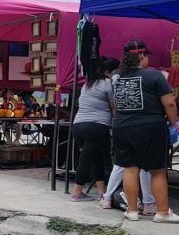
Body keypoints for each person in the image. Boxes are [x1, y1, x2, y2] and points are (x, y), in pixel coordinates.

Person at [112, 39, 179, 223]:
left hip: (121, 126)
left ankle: (132, 211)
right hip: (149, 127)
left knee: (130, 169)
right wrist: (174, 122)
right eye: (146, 55)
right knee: (157, 171)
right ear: (141, 55)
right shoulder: (154, 76)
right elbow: (170, 102)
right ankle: (163, 212)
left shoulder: (116, 76)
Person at [70, 57, 119, 202]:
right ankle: (76, 193)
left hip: (78, 126)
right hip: (96, 126)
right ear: (107, 72)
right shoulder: (108, 84)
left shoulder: (88, 84)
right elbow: (113, 107)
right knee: (86, 160)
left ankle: (102, 193)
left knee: (95, 158)